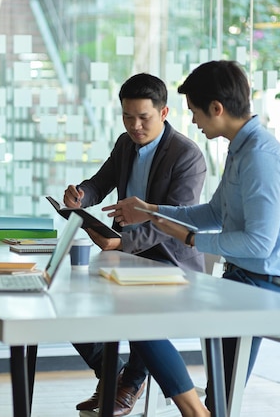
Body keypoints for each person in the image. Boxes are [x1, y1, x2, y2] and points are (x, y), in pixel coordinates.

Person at [102, 60, 280, 413]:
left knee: (218, 396)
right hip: (238, 280)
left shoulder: (260, 156)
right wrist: (150, 210)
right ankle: (196, 409)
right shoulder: (241, 149)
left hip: (264, 287)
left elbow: (259, 243)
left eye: (194, 111)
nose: (192, 120)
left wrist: (191, 240)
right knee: (136, 313)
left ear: (216, 109)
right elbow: (212, 213)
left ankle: (196, 410)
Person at [63, 73, 208, 416]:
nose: (135, 126)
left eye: (144, 117)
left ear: (164, 112)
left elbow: (178, 221)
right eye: (128, 117)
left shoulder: (186, 155)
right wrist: (81, 195)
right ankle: (112, 372)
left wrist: (121, 241)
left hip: (170, 259)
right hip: (125, 253)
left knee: (142, 306)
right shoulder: (125, 143)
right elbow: (102, 182)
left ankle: (130, 381)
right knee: (67, 296)